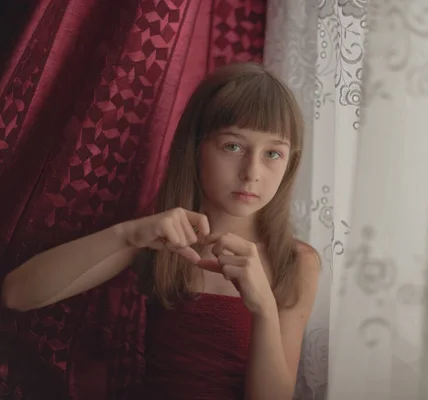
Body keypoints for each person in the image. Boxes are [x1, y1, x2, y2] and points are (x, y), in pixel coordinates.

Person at [1, 62, 321, 400]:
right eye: (233, 146)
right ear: (196, 148)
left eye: (273, 153)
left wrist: (264, 309)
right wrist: (127, 235)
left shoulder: (296, 261)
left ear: (290, 163)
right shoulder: (163, 236)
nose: (252, 172)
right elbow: (16, 294)